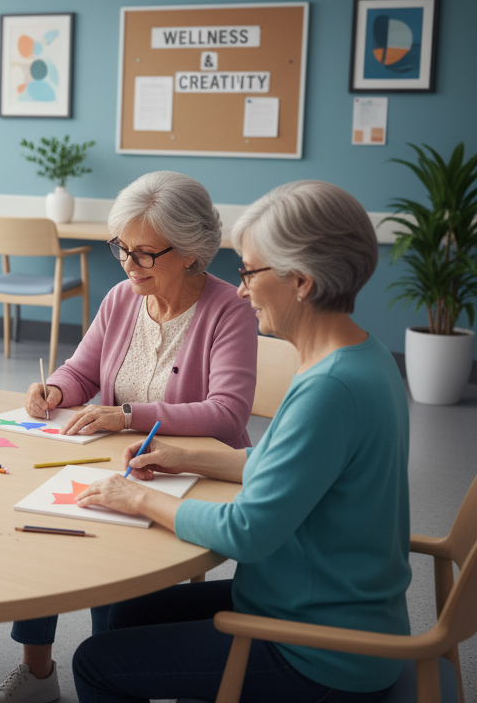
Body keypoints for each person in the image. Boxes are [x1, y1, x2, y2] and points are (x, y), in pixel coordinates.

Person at [69, 180, 410, 703]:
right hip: (313, 604)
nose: (241, 288)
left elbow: (246, 532)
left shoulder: (330, 388)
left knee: (94, 662)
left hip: (319, 648)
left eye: (250, 271)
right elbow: (284, 465)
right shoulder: (366, 358)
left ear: (301, 281)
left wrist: (136, 496)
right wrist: (185, 457)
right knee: (126, 616)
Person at [0, 171, 257, 703]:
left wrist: (125, 413)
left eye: (144, 254)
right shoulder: (121, 298)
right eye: (121, 249)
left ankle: (114, 671)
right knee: (41, 522)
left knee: (107, 549)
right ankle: (38, 673)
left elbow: (226, 416)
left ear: (190, 250)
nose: (130, 265)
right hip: (116, 460)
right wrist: (56, 392)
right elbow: (81, 373)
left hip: (193, 473)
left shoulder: (230, 310)